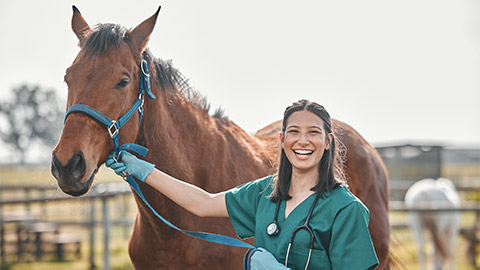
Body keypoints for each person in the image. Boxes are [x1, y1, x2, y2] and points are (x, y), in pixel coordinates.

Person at [106, 99, 379, 270]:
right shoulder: (264, 192)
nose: (303, 141)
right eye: (294, 132)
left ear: (328, 141)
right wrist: (142, 170)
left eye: (313, 133)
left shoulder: (346, 209)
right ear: (282, 140)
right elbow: (202, 203)